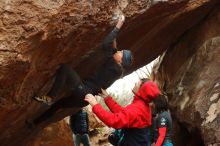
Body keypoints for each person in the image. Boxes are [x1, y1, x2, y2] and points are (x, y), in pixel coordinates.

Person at [29, 15, 133, 126]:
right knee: (58, 105)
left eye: (122, 53)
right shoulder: (116, 70)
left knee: (65, 69)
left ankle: (50, 97)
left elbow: (106, 44)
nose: (119, 51)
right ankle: (35, 122)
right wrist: (114, 36)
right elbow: (113, 50)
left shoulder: (114, 66)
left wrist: (118, 26)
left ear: (120, 61)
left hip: (83, 91)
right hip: (83, 99)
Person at [85, 80, 160, 146]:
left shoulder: (137, 109)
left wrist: (95, 104)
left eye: (137, 83)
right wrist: (107, 98)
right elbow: (124, 113)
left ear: (142, 90)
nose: (135, 82)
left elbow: (114, 120)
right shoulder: (142, 106)